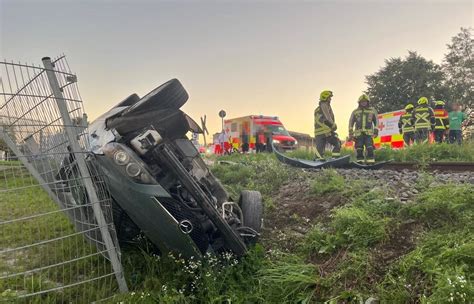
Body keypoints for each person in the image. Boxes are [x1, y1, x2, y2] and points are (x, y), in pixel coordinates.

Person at [348, 94, 378, 164]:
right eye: (362, 101)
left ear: (368, 102)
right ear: (359, 103)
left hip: (369, 134)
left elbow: (376, 121)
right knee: (359, 148)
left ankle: (370, 162)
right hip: (358, 134)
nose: (363, 103)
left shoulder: (372, 111)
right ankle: (360, 162)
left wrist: (376, 131)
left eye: (365, 101)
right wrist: (350, 133)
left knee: (370, 147)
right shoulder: (355, 112)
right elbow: (350, 122)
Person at [313, 90, 341, 159]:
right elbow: (327, 117)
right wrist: (333, 125)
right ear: (325, 97)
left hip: (318, 133)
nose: (330, 99)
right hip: (326, 132)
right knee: (337, 143)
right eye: (329, 97)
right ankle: (335, 159)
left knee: (319, 149)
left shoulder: (317, 109)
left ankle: (317, 160)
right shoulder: (324, 105)